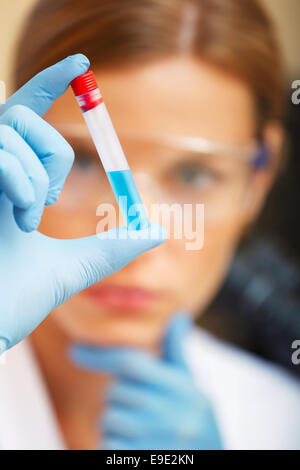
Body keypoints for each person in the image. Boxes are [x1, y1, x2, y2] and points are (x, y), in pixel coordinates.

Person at [0, 0, 299, 450]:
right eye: (81, 160)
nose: (133, 240)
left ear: (258, 180)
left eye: (193, 174)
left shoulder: (281, 423)